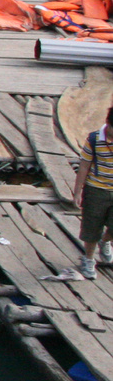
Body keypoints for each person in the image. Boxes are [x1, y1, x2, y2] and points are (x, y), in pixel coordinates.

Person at [72, 104, 113, 279]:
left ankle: (105, 242)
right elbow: (84, 165)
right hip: (96, 189)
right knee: (91, 227)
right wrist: (77, 192)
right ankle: (88, 259)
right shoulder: (95, 139)